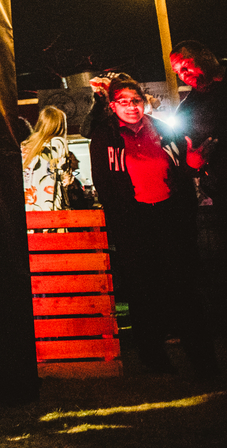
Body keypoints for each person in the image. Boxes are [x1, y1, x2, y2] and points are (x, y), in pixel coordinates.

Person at [89, 76, 217, 376]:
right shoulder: (105, 137)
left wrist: (195, 163)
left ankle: (202, 360)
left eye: (136, 100)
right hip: (135, 222)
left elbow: (183, 169)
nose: (132, 107)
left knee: (184, 287)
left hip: (168, 217)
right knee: (144, 290)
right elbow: (104, 184)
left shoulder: (162, 130)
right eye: (124, 101)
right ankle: (153, 356)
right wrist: (122, 220)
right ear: (113, 106)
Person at [171, 39, 225, 297]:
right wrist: (193, 163)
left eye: (185, 66)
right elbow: (185, 154)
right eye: (178, 73)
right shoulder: (189, 108)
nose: (184, 76)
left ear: (204, 54)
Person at [22, 105, 68, 210]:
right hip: (50, 210)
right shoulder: (58, 145)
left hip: (29, 210)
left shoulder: (25, 147)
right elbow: (65, 177)